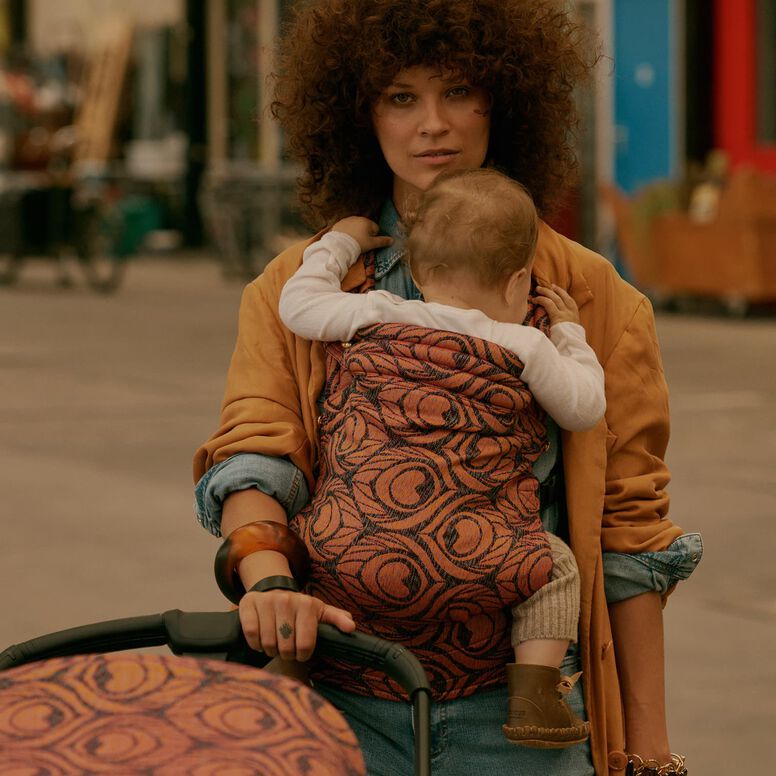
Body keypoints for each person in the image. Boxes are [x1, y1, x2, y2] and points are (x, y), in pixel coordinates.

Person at [193, 2, 702, 774]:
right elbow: (257, 458)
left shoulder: (596, 299)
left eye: (458, 91)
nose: (433, 124)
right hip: (339, 700)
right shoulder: (294, 288)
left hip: (522, 722)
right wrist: (268, 583)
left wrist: (650, 752)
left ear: (503, 99)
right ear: (360, 113)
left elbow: (629, 536)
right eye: (401, 97)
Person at [278, 167, 603, 749]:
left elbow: (298, 305)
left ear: (420, 273)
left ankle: (288, 670)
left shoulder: (377, 311)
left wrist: (341, 242)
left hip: (350, 549)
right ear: (519, 281)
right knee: (554, 565)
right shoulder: (523, 342)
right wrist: (569, 334)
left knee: (314, 539)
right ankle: (535, 694)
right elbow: (584, 407)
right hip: (476, 553)